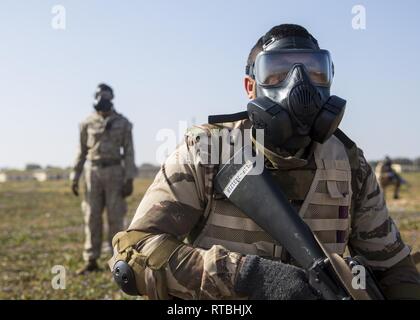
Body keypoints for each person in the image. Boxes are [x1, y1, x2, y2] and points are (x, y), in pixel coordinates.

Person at [108, 25, 420, 299]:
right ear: (250, 86)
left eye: (315, 71)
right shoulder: (209, 150)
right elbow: (133, 255)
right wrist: (252, 277)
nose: (300, 84)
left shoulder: (349, 163)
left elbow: (393, 268)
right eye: (277, 71)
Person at [71, 83, 137, 275]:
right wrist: (74, 176)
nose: (102, 99)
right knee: (91, 216)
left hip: (115, 171)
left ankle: (116, 259)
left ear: (111, 99)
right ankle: (91, 259)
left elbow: (129, 152)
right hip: (92, 172)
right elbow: (81, 151)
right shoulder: (87, 123)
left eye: (106, 97)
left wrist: (129, 178)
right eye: (100, 96)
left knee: (116, 217)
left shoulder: (123, 123)